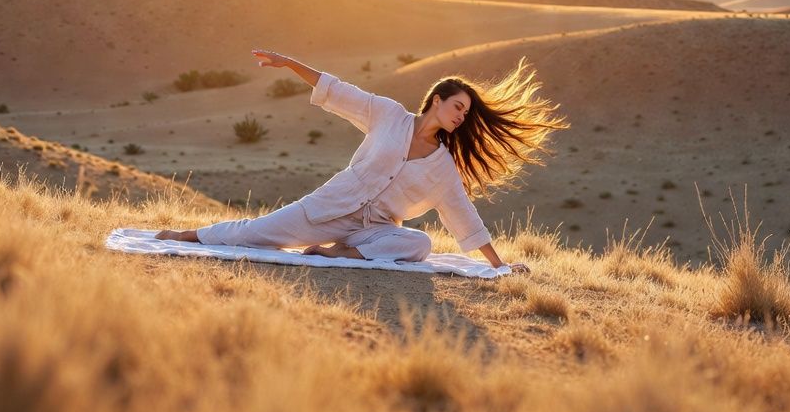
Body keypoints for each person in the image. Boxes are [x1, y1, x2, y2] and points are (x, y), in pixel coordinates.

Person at [156, 49, 568, 270]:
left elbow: (462, 216)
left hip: (373, 232)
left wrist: (499, 266)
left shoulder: (443, 165)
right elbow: (338, 90)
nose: (462, 116)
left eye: (465, 113)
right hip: (328, 209)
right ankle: (184, 236)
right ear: (436, 100)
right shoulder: (387, 114)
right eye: (458, 106)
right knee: (254, 233)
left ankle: (338, 254)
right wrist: (288, 63)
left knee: (418, 243)